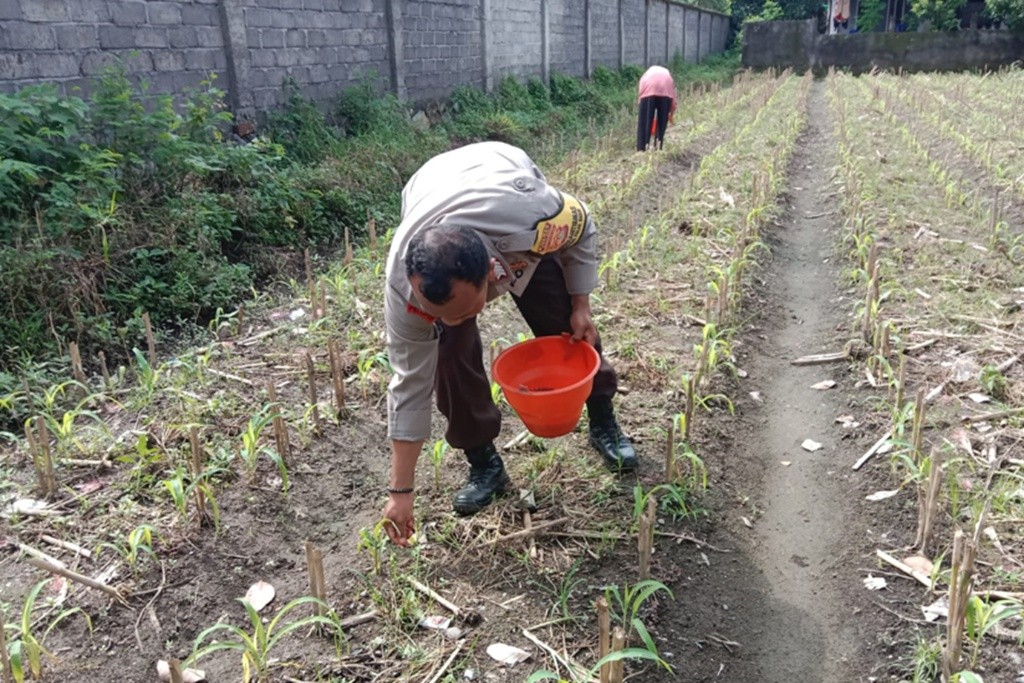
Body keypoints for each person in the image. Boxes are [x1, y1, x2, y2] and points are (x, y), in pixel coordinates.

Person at [381, 141, 638, 547]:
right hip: (431, 188)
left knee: (563, 322)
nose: (455, 320)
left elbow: (583, 224)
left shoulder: (533, 220)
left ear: (492, 272)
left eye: (467, 310)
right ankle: (484, 463)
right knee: (448, 358)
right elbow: (409, 388)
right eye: (440, 312)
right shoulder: (405, 292)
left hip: (501, 182)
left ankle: (603, 419)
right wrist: (401, 493)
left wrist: (582, 303)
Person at [636, 65, 676, 152]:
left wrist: (641, 103)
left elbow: (641, 90)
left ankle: (641, 148)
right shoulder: (668, 76)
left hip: (648, 89)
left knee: (644, 121)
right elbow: (673, 98)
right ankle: (658, 146)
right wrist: (671, 113)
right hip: (665, 89)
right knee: (662, 121)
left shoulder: (646, 75)